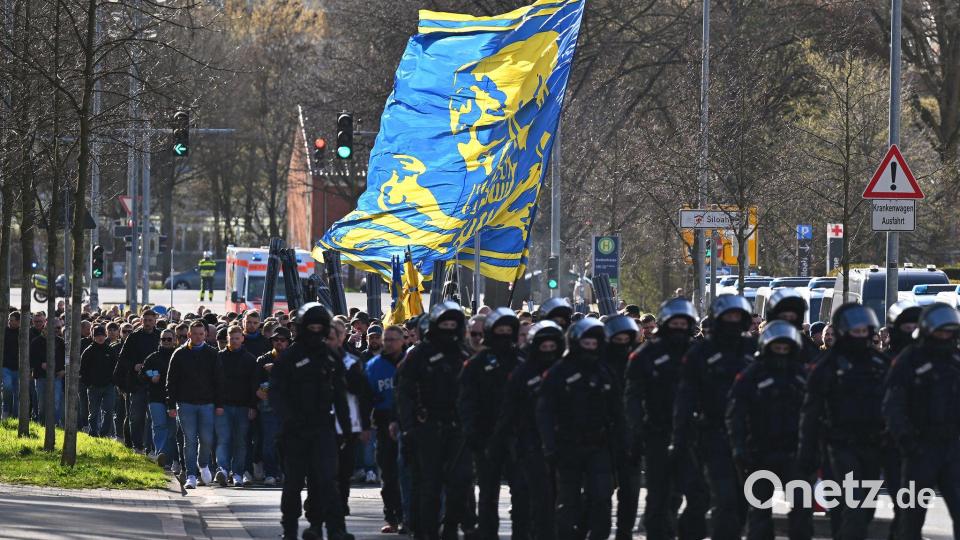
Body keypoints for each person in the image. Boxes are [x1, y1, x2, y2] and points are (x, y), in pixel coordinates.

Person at [799, 303, 890, 539]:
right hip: (839, 445)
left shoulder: (879, 363)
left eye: (863, 331)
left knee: (866, 508)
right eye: (854, 331)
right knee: (851, 505)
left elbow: (894, 404)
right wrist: (807, 450)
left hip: (872, 444)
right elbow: (811, 411)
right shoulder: (826, 365)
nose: (860, 336)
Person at [673, 294, 755, 540]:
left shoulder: (753, 349)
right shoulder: (700, 352)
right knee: (723, 498)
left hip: (749, 436)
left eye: (737, 317)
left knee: (744, 501)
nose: (733, 321)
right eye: (728, 317)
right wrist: (680, 437)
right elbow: (685, 396)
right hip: (713, 434)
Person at [625, 298, 707, 540]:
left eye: (683, 323)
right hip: (657, 432)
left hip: (693, 434)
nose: (679, 328)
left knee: (699, 494)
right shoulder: (646, 354)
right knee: (659, 496)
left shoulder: (698, 353)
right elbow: (633, 396)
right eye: (674, 323)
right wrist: (638, 430)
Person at [270, 302, 353, 540]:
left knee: (327, 481)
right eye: (311, 327)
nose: (315, 332)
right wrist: (289, 420)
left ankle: (334, 529)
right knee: (293, 484)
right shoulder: (289, 357)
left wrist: (346, 431)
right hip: (294, 431)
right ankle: (289, 530)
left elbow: (340, 396)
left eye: (320, 327)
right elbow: (276, 394)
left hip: (323, 428)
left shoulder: (331, 356)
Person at [537, 318, 625, 540]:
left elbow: (618, 412)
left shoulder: (605, 372)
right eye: (586, 343)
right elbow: (545, 411)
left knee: (602, 496)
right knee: (568, 501)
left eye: (594, 344)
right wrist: (549, 445)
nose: (590, 348)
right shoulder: (558, 372)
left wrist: (622, 444)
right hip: (567, 446)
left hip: (599, 445)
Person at [727, 321, 813, 540]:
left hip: (794, 452)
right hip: (758, 452)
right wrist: (738, 447)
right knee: (759, 512)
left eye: (785, 348)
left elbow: (815, 412)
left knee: (802, 509)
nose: (781, 352)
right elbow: (736, 414)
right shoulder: (751, 375)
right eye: (777, 348)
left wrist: (813, 448)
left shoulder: (801, 375)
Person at [396, 301, 473, 540]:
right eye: (444, 325)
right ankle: (425, 531)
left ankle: (450, 527)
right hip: (427, 427)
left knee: (460, 483)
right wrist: (408, 428)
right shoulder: (419, 355)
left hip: (459, 430)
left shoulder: (465, 354)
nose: (449, 329)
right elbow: (404, 393)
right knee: (429, 485)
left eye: (453, 325)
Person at [883, 302, 960, 540]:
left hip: (953, 449)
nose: (944, 337)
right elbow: (893, 405)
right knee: (911, 517)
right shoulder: (909, 359)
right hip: (920, 449)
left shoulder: (955, 360)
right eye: (940, 332)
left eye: (948, 332)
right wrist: (906, 440)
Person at [460, 307, 527, 540]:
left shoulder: (523, 361)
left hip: (517, 437)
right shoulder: (476, 364)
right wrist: (471, 432)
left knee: (521, 490)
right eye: (500, 330)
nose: (504, 335)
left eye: (508, 330)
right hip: (486, 436)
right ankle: (488, 533)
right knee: (488, 493)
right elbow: (466, 401)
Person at [492, 321, 563, 540]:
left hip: (564, 444)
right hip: (529, 444)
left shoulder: (566, 370)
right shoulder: (522, 373)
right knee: (531, 498)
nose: (548, 352)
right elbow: (508, 411)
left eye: (552, 347)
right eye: (544, 347)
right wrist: (500, 444)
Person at [602, 314, 641, 540]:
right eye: (617, 339)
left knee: (631, 490)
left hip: (631, 435)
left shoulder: (639, 360)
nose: (622, 343)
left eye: (626, 339)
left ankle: (624, 532)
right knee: (600, 490)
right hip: (602, 436)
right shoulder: (597, 362)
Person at [167, 319, 218, 489]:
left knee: (206, 439)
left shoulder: (212, 353)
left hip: (207, 403)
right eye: (195, 334)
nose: (198, 337)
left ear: (206, 335)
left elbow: (219, 380)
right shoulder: (179, 353)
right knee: (189, 440)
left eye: (201, 334)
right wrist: (171, 405)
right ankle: (190, 475)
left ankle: (202, 463)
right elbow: (171, 381)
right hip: (185, 403)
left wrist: (219, 404)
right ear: (189, 334)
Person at [365, 325, 406, 533]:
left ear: (403, 340)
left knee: (409, 473)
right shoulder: (373, 366)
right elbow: (365, 398)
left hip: (409, 422)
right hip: (383, 422)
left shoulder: (411, 361)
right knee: (388, 473)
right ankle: (392, 517)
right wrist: (364, 425)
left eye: (393, 339)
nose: (389, 343)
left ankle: (409, 516)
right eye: (386, 339)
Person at [214, 325, 259, 487]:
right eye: (231, 338)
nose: (234, 341)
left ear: (242, 339)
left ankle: (238, 473)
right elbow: (215, 383)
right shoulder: (219, 357)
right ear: (227, 339)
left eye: (237, 338)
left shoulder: (250, 359)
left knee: (240, 441)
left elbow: (254, 385)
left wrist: (253, 406)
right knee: (223, 439)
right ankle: (223, 470)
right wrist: (217, 404)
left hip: (243, 406)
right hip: (223, 406)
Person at [117, 308, 161, 452]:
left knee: (153, 418)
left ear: (155, 321)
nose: (147, 323)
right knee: (136, 417)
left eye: (150, 320)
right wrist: (133, 366)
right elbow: (123, 359)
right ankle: (137, 446)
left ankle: (151, 448)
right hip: (137, 383)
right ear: (141, 321)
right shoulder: (133, 337)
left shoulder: (160, 336)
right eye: (145, 320)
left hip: (155, 383)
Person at [254, 326, 291, 486]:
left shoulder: (293, 359)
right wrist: (257, 391)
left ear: (288, 342)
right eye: (276, 339)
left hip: (289, 407)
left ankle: (286, 473)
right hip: (268, 407)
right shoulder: (263, 359)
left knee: (288, 443)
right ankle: (270, 473)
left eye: (282, 340)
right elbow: (254, 383)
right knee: (269, 442)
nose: (279, 342)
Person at [141, 328, 178, 469]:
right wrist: (151, 377)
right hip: (156, 397)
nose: (166, 341)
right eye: (164, 339)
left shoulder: (178, 355)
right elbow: (143, 373)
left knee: (172, 429)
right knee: (159, 426)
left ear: (174, 340)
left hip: (174, 398)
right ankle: (161, 455)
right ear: (160, 341)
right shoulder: (152, 357)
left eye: (169, 339)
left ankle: (170, 459)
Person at [80, 325, 118, 438]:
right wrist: (88, 384)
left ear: (105, 336)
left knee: (109, 411)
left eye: (102, 335)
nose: (100, 337)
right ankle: (93, 433)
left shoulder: (110, 350)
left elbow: (115, 367)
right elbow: (83, 370)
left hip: (108, 386)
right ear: (93, 337)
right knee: (94, 412)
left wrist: (113, 382)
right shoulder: (88, 351)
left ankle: (104, 433)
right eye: (97, 335)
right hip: (93, 386)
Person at [764, 288, 818, 365]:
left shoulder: (806, 344)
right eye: (784, 317)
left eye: (791, 317)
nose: (788, 320)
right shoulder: (764, 340)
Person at [2, 311, 20, 419]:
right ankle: (5, 410)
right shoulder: (4, 332)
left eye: (12, 320)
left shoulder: (23, 333)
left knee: (17, 394)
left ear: (18, 321)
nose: (9, 322)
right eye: (9, 320)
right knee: (7, 387)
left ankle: (15, 417)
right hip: (6, 367)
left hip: (19, 368)